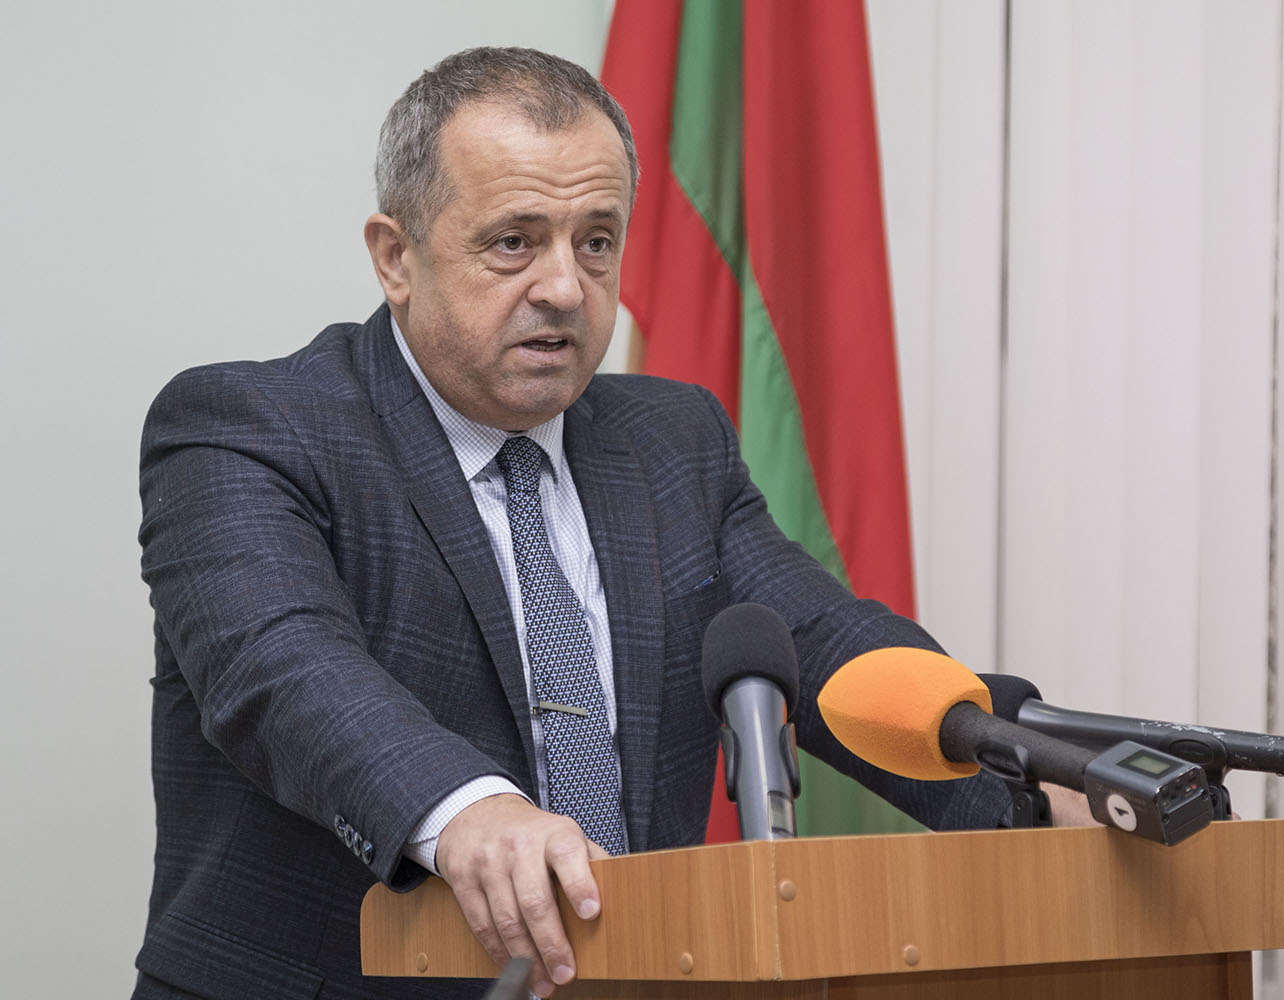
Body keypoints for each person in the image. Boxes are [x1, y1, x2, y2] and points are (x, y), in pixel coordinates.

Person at [133, 47, 1016, 1000]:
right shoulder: (248, 427)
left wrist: (1030, 776)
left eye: (596, 241)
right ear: (396, 256)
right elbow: (283, 670)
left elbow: (829, 644)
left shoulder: (674, 440)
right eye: (515, 241)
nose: (565, 286)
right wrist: (471, 812)